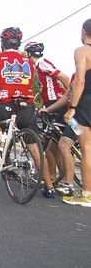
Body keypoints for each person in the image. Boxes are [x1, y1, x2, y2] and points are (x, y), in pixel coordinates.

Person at [0, 27, 54, 197]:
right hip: (27, 106)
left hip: (7, 105)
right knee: (36, 149)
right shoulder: (29, 62)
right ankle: (49, 188)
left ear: (2, 43)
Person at [24, 41, 70, 187]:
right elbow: (46, 90)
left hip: (57, 105)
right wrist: (41, 107)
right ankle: (55, 177)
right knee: (52, 147)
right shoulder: (38, 68)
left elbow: (63, 77)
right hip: (51, 104)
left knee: (55, 146)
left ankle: (59, 178)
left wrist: (72, 95)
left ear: (29, 54)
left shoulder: (42, 63)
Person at [61, 19, 91, 206]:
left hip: (86, 103)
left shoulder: (82, 51)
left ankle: (87, 194)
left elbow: (79, 80)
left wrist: (72, 108)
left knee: (87, 148)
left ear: (83, 32)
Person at [42, 74, 78, 195]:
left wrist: (71, 108)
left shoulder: (81, 77)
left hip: (80, 116)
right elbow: (65, 97)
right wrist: (47, 109)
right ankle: (65, 179)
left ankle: (69, 184)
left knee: (64, 144)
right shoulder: (75, 75)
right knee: (53, 147)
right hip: (76, 116)